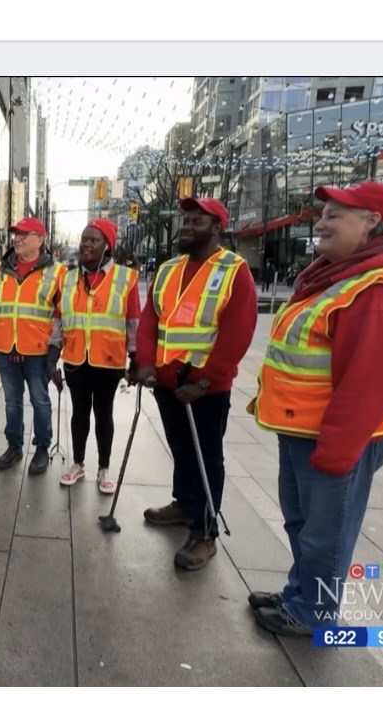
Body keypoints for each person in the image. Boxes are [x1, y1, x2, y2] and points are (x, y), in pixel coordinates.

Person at [246, 182, 383, 636]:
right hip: (303, 430)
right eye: (321, 214)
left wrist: (338, 451)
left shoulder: (378, 287)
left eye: (335, 215)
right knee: (304, 524)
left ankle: (315, 612)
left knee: (326, 533)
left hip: (336, 439)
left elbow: (368, 382)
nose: (320, 223)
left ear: (371, 223)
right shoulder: (334, 276)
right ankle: (300, 593)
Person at [131, 198, 257, 571]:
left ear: (217, 227)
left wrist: (205, 380)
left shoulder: (235, 270)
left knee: (206, 457)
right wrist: (145, 363)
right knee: (182, 450)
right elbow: (150, 317)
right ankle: (184, 503)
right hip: (168, 382)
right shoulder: (169, 270)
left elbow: (237, 333)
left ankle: (205, 531)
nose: (185, 227)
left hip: (204, 389)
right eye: (184, 220)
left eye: (196, 221)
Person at [55, 219, 141, 493]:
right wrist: (51, 355)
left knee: (104, 414)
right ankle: (78, 463)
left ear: (107, 246)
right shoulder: (68, 278)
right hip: (76, 359)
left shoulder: (125, 278)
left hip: (108, 361)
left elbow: (133, 321)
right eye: (84, 239)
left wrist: (135, 357)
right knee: (79, 414)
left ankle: (104, 467)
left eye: (93, 240)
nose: (86, 244)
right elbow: (59, 318)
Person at [0, 216, 66, 475]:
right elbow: (1, 308)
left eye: (25, 234)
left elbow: (61, 317)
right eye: (16, 234)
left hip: (38, 352)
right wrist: (6, 342)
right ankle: (14, 445)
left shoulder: (58, 273)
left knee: (40, 402)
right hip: (5, 348)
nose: (18, 239)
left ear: (41, 239)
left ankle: (42, 448)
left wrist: (53, 354)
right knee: (12, 402)